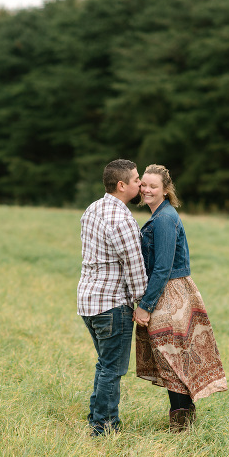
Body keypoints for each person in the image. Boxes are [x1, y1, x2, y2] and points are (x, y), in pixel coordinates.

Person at [132, 164, 228, 432]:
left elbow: (162, 267)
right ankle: (184, 420)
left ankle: (181, 424)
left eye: (153, 186)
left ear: (165, 189)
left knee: (171, 358)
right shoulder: (159, 215)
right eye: (144, 185)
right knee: (173, 358)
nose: (147, 189)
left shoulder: (163, 219)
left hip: (170, 294)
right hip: (170, 291)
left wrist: (146, 306)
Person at [78, 159, 148, 436]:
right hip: (111, 304)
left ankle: (96, 415)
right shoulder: (121, 219)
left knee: (105, 363)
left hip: (88, 302)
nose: (140, 183)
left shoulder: (93, 209)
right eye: (136, 179)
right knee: (112, 368)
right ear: (122, 185)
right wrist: (143, 303)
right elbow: (134, 266)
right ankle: (104, 426)